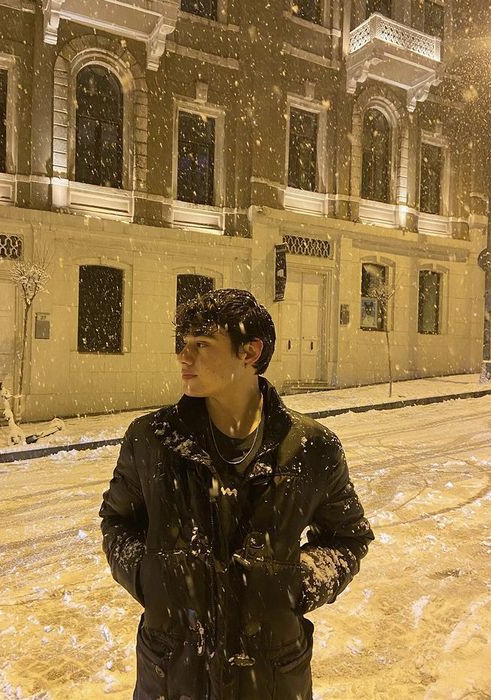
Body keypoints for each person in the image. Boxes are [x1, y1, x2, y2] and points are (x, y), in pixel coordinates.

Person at [99, 288, 374, 699]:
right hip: (172, 670)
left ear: (249, 353)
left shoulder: (312, 447)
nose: (183, 356)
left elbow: (349, 537)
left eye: (201, 344)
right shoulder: (152, 440)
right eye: (183, 344)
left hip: (271, 674)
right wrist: (150, 578)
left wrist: (295, 583)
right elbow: (118, 521)